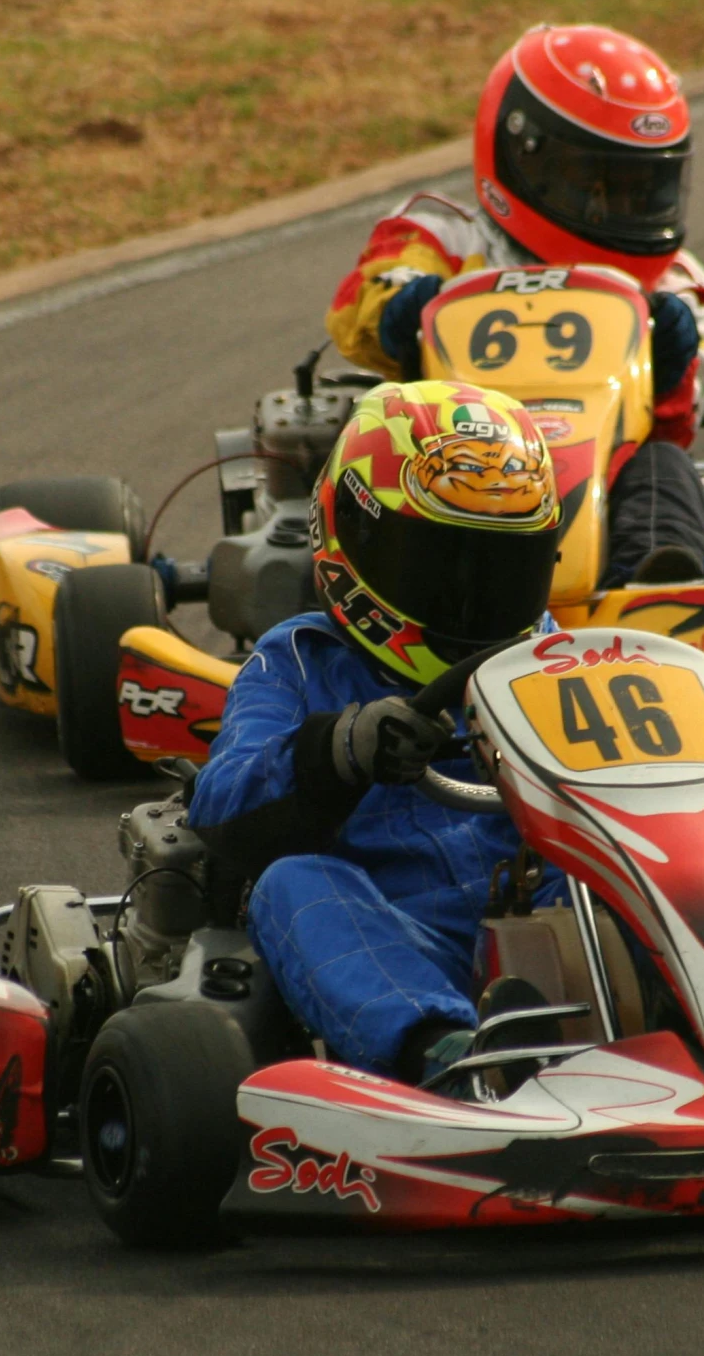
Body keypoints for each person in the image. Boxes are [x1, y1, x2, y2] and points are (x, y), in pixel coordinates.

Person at [191, 379, 570, 1085]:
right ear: (352, 534)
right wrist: (342, 748)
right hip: (395, 931)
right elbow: (219, 803)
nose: (474, 600)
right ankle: (446, 1052)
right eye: (442, 567)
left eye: (501, 571)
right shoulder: (301, 661)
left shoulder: (552, 656)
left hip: (540, 905)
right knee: (292, 884)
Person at [324, 23, 704, 588]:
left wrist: (670, 360)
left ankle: (654, 593)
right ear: (521, 153)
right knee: (363, 470)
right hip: (442, 467)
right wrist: (400, 312)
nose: (616, 205)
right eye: (596, 181)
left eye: (642, 185)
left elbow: (679, 421)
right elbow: (365, 299)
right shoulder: (442, 238)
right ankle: (339, 622)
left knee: (665, 468)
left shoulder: (675, 288)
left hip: (607, 480)